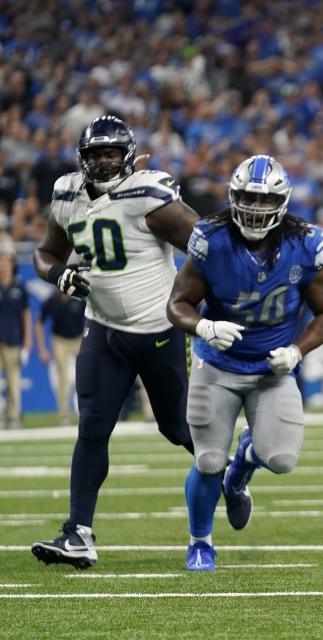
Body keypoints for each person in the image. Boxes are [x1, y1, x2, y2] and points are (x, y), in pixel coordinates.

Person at [31, 116, 198, 569]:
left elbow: (204, 248)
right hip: (102, 329)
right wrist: (58, 274)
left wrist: (196, 309)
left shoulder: (149, 194)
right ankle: (78, 533)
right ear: (82, 159)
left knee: (178, 429)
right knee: (92, 426)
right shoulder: (66, 194)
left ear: (127, 154)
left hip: (158, 331)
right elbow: (44, 253)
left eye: (111, 153)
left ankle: (232, 471)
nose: (103, 161)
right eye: (95, 154)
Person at [167, 154, 323, 571]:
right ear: (233, 197)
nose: (257, 208)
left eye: (266, 201)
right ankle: (200, 543)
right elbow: (177, 304)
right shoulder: (211, 239)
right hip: (217, 365)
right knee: (208, 459)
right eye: (249, 198)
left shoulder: (306, 243)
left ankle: (243, 465)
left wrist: (298, 351)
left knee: (280, 458)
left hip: (272, 368)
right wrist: (204, 328)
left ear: (281, 202)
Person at [35, 289, 86, 424]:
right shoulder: (51, 300)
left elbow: (91, 318)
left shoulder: (78, 298)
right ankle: (64, 414)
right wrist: (42, 348)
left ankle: (87, 410)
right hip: (59, 340)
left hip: (78, 338)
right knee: (62, 377)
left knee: (85, 374)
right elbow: (39, 323)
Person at [0, 252, 31, 430]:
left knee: (14, 383)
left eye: (5, 262)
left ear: (12, 265)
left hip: (13, 342)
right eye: (1, 262)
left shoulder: (20, 288)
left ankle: (13, 417)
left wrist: (27, 341)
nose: (3, 265)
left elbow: (26, 315)